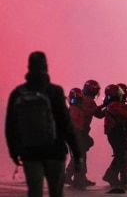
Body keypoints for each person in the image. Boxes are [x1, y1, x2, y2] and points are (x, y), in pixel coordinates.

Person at [5, 51, 82, 197]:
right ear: (46, 67)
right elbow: (66, 125)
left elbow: (10, 128)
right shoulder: (55, 91)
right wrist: (77, 154)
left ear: (29, 67)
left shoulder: (18, 93)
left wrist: (15, 153)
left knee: (35, 192)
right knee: (56, 193)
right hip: (55, 151)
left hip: (30, 152)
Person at [69, 79, 105, 186]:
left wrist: (108, 107)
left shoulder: (84, 99)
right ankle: (74, 177)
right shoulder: (86, 100)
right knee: (80, 156)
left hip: (81, 131)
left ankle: (77, 177)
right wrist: (103, 106)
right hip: (79, 131)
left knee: (80, 155)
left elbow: (99, 115)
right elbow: (85, 113)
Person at [102, 84, 127, 187]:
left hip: (118, 132)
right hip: (115, 133)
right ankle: (110, 175)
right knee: (121, 155)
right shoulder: (113, 105)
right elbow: (126, 114)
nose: (122, 94)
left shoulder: (115, 104)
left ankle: (123, 176)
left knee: (124, 154)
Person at [64, 88, 93, 188]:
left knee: (80, 156)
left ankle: (77, 178)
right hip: (76, 135)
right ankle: (71, 177)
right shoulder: (74, 109)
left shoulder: (76, 108)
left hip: (77, 135)